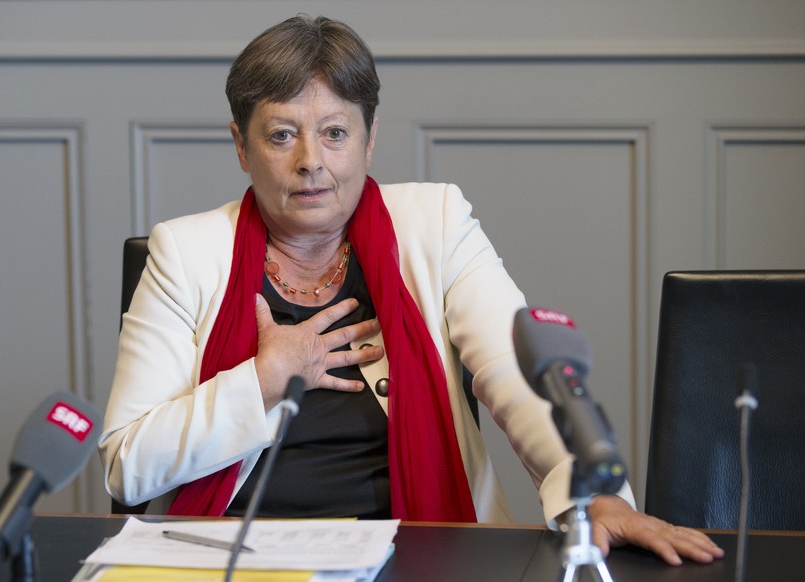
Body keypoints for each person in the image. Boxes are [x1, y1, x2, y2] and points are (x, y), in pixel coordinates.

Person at [98, 14, 724, 566]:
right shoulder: (185, 252)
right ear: (241, 145)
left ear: (370, 139)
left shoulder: (436, 225)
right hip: (229, 555)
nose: (311, 160)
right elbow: (128, 466)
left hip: (412, 551)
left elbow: (518, 376)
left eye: (335, 133)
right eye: (282, 134)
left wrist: (592, 499)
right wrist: (263, 378)